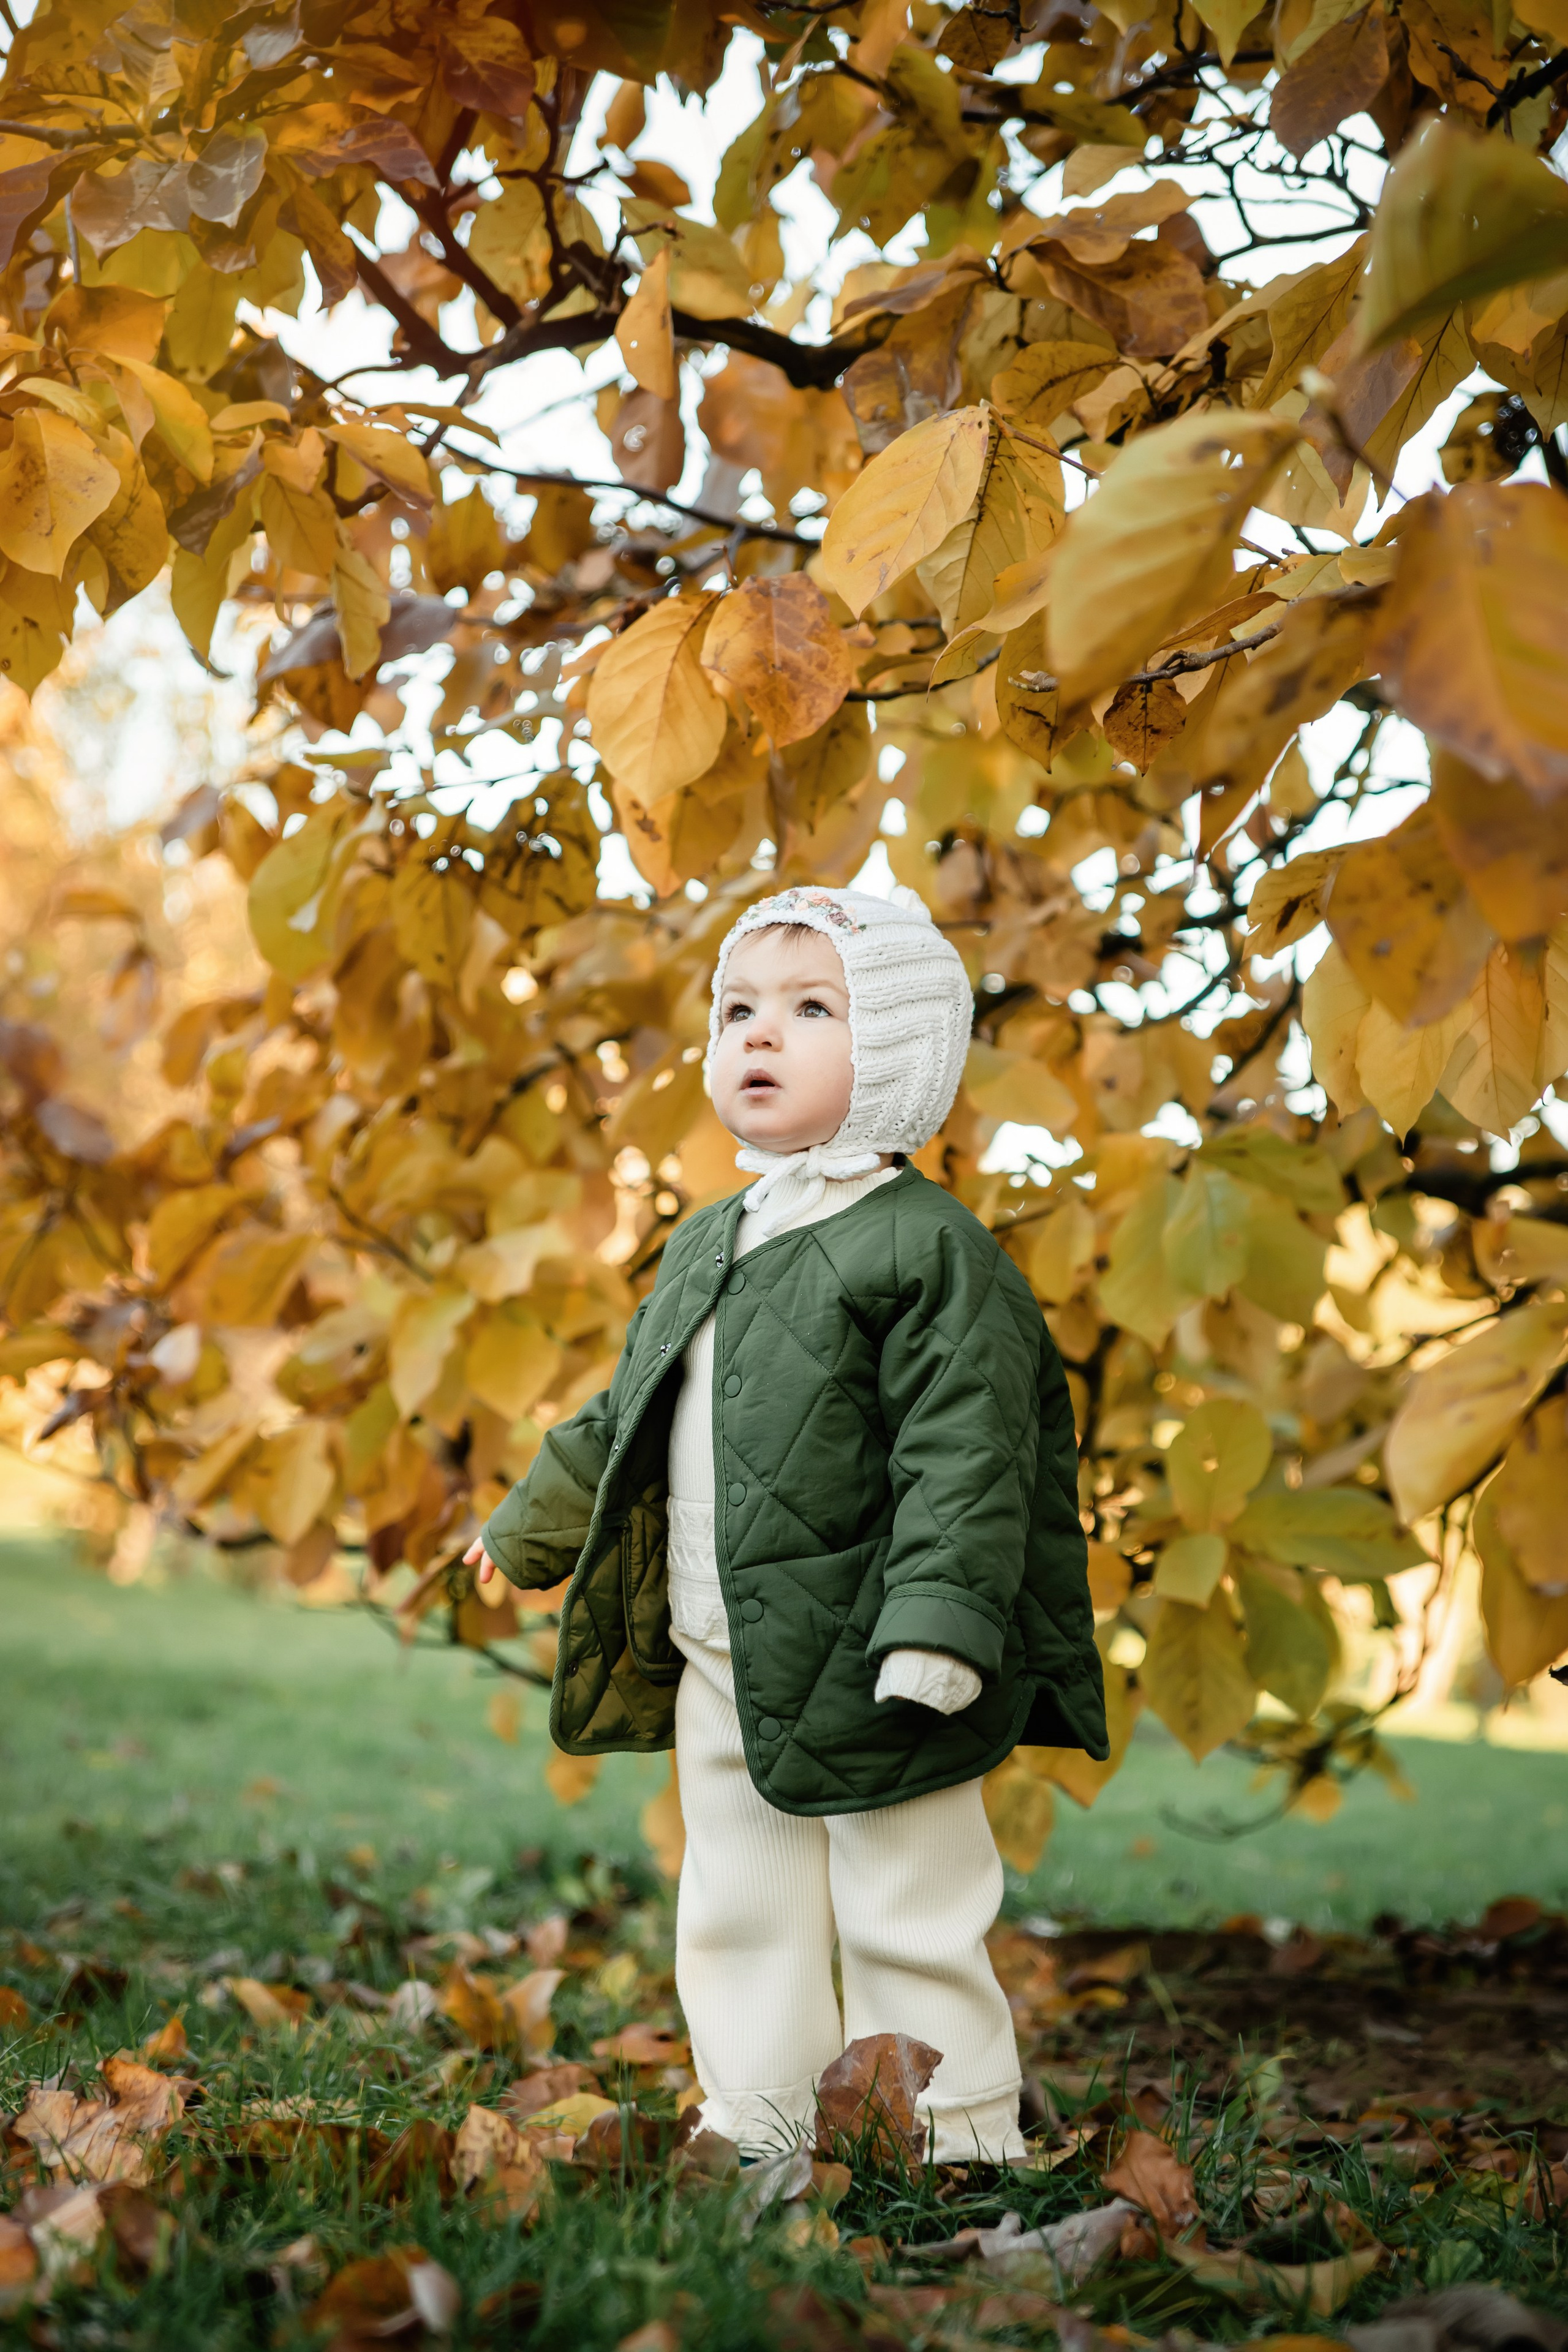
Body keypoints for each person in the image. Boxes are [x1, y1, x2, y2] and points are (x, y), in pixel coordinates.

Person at [466, 884, 1106, 2163]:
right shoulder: (713, 1240)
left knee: (904, 1902)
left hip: (882, 1648)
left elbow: (969, 1453)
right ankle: (755, 2122)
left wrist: (938, 1623)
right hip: (725, 1635)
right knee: (736, 1898)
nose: (758, 1034)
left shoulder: (928, 1251)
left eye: (811, 1009)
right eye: (738, 1009)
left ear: (902, 1057)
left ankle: (955, 2135)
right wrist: (528, 1524)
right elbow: (631, 1405)